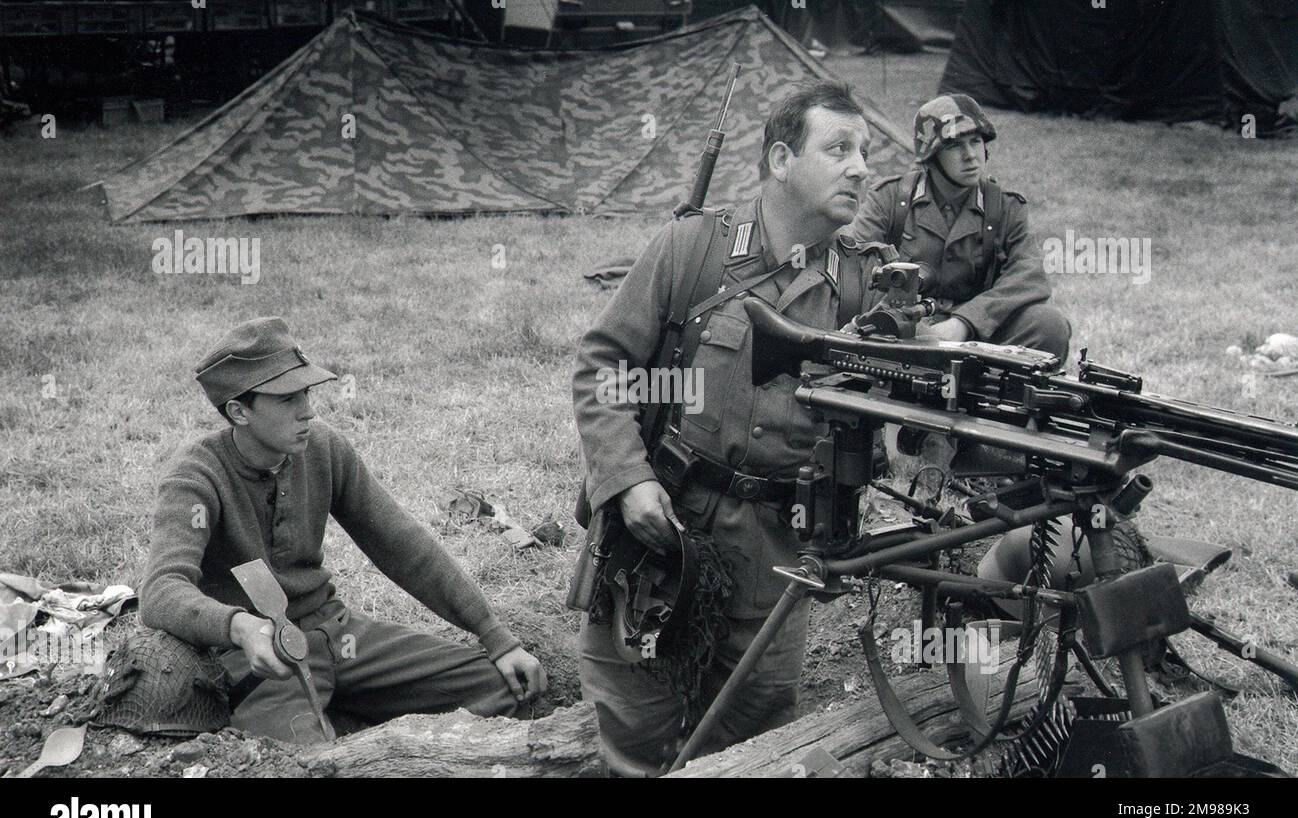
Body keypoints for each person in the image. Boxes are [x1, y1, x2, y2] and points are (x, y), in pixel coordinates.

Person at [572, 81, 888, 775]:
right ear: (780, 159)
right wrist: (626, 480)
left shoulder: (863, 288)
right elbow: (603, 367)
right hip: (665, 533)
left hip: (777, 556)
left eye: (865, 151)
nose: (861, 166)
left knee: (752, 745)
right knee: (635, 728)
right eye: (839, 148)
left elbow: (889, 425)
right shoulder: (693, 250)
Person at [139, 317, 546, 744]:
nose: (308, 410)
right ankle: (332, 722)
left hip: (339, 636)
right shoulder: (196, 476)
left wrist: (494, 635)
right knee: (302, 762)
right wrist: (239, 627)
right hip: (262, 659)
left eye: (307, 392)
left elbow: (401, 545)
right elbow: (162, 590)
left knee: (502, 689)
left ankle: (352, 711)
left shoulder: (323, 447)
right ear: (240, 411)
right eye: (287, 399)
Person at [845, 93, 1071, 467]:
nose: (971, 156)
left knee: (1048, 326)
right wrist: (899, 308)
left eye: (976, 142)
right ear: (932, 156)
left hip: (973, 341)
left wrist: (964, 324)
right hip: (905, 338)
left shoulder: (1004, 207)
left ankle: (1000, 432)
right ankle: (869, 426)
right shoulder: (892, 200)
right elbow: (852, 261)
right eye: (955, 146)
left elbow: (1029, 276)